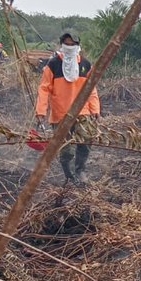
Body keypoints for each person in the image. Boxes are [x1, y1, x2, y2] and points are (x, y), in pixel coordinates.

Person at [34, 32, 101, 184]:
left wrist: (95, 108)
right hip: (60, 113)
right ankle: (68, 174)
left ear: (78, 45)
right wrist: (41, 111)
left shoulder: (85, 64)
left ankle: (81, 170)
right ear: (62, 45)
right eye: (67, 44)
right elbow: (44, 89)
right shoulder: (53, 64)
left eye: (73, 44)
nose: (69, 47)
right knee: (65, 147)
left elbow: (91, 88)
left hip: (82, 111)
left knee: (86, 140)